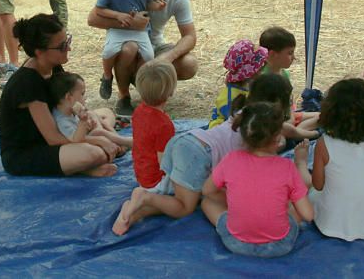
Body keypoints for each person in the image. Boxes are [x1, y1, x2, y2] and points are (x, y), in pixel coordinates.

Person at [112, 73, 292, 236]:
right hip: (197, 155)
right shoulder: (256, 135)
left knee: (183, 198)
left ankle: (135, 212)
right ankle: (145, 196)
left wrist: (304, 134)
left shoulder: (246, 113)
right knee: (184, 207)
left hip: (185, 141)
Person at [0, 13, 120, 177]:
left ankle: (96, 154)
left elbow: (69, 105)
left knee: (105, 113)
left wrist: (92, 121)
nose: (69, 48)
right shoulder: (28, 83)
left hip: (62, 131)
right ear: (39, 52)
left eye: (67, 41)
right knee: (94, 153)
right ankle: (85, 167)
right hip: (28, 153)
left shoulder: (53, 66)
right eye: (62, 46)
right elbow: (53, 139)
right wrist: (98, 139)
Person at [88, 0, 198, 112]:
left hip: (154, 46)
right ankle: (123, 96)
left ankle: (145, 82)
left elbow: (190, 37)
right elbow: (93, 18)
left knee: (189, 64)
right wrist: (128, 23)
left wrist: (167, 58)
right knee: (128, 49)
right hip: (128, 43)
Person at [201, 101, 314, 258]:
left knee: (206, 203)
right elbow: (308, 215)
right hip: (280, 245)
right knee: (293, 205)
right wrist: (300, 164)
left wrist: (234, 200)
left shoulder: (231, 159)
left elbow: (207, 190)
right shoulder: (287, 167)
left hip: (235, 243)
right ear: (278, 137)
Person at [308, 78, 364, 241]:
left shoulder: (325, 143)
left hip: (330, 222)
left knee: (309, 193)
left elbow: (317, 185)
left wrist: (301, 164)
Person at [91, 0, 164, 115]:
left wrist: (157, 5)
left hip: (140, 30)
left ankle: (142, 88)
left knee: (149, 56)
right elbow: (99, 10)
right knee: (109, 51)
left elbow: (146, 3)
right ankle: (107, 76)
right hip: (119, 29)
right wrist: (118, 15)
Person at [48, 71, 131, 150]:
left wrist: (90, 122)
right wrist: (84, 122)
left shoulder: (69, 108)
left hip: (88, 133)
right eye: (82, 94)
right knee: (99, 132)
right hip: (82, 144)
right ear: (69, 97)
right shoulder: (62, 121)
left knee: (106, 112)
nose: (85, 97)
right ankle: (124, 142)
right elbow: (76, 140)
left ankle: (116, 138)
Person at [131, 61, 177, 188]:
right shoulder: (164, 125)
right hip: (156, 182)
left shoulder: (138, 111)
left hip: (141, 175)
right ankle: (147, 202)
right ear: (171, 91)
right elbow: (164, 163)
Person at [209, 39, 268, 128]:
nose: (262, 70)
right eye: (260, 67)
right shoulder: (230, 97)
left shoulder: (246, 88)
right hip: (222, 132)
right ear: (251, 72)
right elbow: (233, 123)